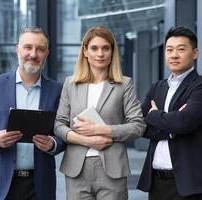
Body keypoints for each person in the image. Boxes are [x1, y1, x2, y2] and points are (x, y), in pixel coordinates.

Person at [0, 27, 65, 200]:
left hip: (39, 186)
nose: (33, 54)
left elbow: (65, 132)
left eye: (40, 49)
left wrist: (53, 144)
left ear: (46, 53)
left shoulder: (58, 91)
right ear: (17, 49)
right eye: (28, 47)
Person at [54, 26, 146, 200]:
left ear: (112, 52)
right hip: (76, 169)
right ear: (85, 51)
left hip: (112, 169)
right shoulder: (70, 84)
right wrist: (88, 140)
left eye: (106, 48)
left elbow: (138, 126)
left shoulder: (124, 84)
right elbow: (59, 124)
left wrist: (99, 129)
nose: (100, 54)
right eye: (94, 48)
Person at [137, 27, 202, 200]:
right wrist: (171, 126)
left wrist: (155, 115)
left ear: (195, 53)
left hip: (188, 185)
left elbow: (183, 122)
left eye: (181, 49)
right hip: (156, 181)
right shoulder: (157, 88)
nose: (174, 55)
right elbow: (141, 126)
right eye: (169, 49)